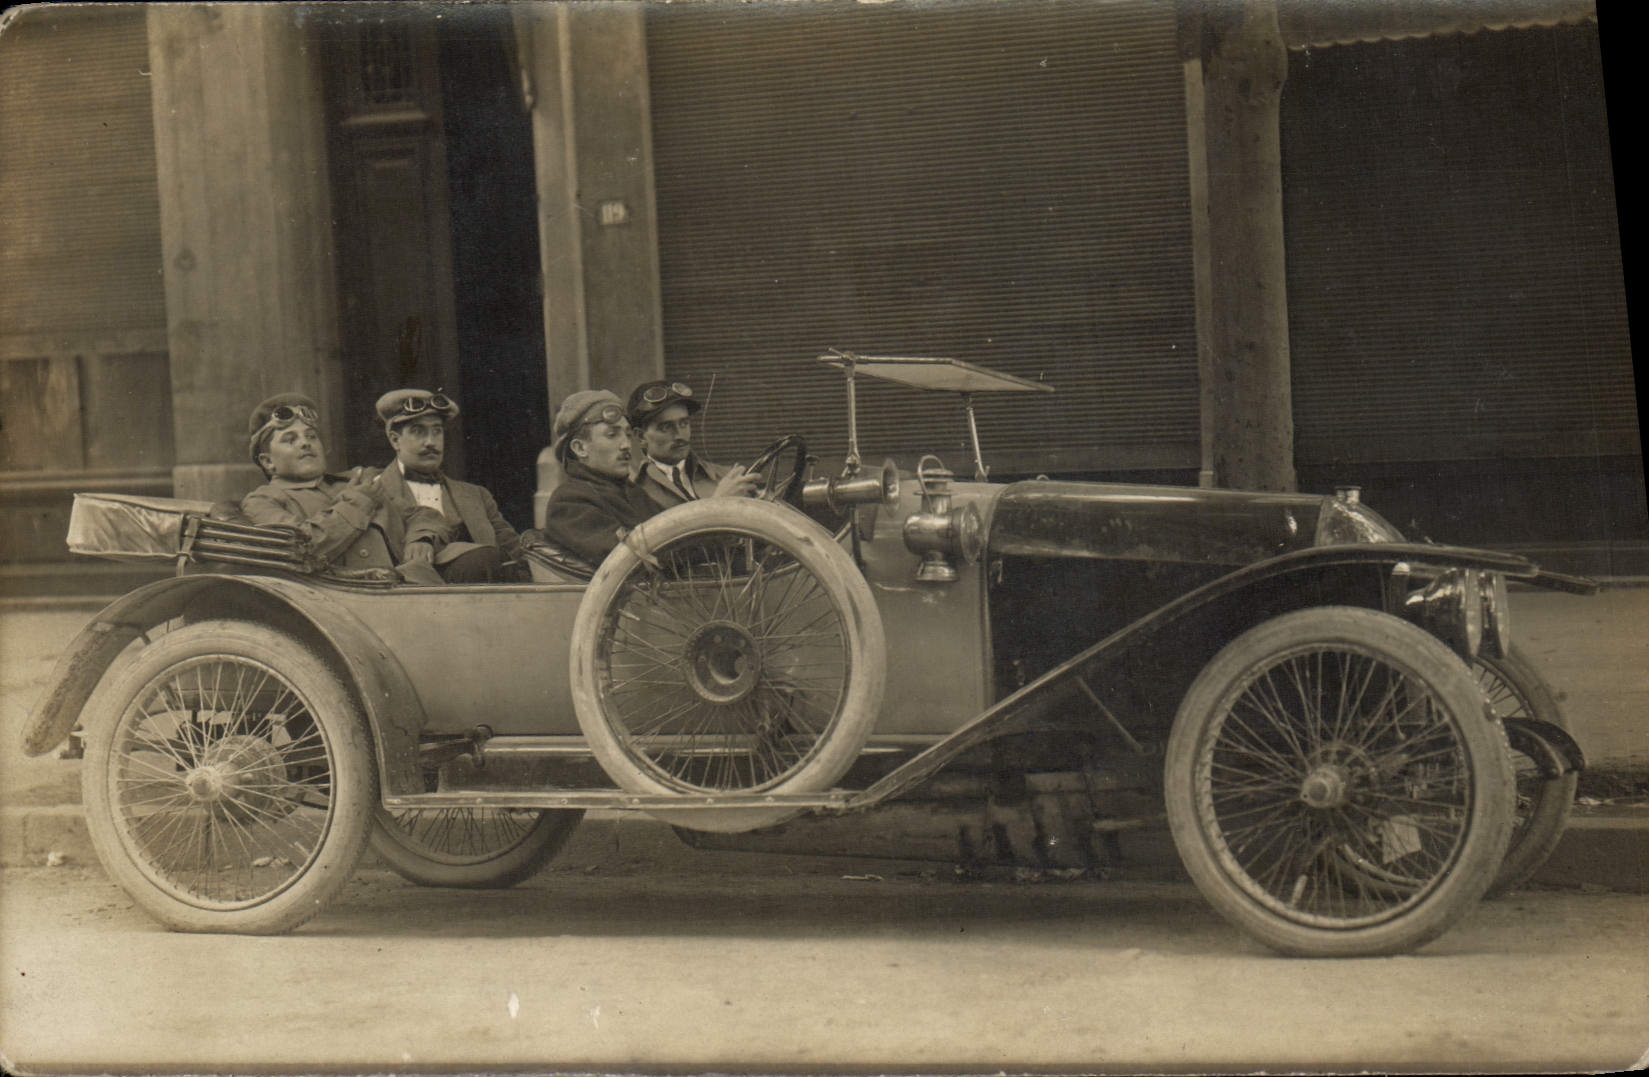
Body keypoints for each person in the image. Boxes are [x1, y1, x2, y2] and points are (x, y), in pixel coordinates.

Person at [239, 392, 446, 583]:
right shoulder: (262, 500)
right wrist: (359, 503)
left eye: (311, 436)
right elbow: (300, 549)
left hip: (408, 588)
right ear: (267, 462)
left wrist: (422, 538)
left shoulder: (353, 481)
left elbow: (421, 514)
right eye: (290, 440)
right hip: (347, 599)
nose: (305, 443)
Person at [373, 388, 530, 583]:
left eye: (437, 431)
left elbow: (516, 552)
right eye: (418, 431)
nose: (430, 442)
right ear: (395, 440)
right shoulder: (374, 492)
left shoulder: (477, 496)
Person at [541, 390, 661, 565]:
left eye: (627, 435)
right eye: (612, 435)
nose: (626, 445)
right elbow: (632, 558)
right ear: (580, 448)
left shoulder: (633, 492)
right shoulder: (569, 502)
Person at [626, 379, 759, 509]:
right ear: (641, 436)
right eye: (666, 427)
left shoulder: (726, 476)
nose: (679, 435)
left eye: (684, 423)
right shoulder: (634, 492)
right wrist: (720, 502)